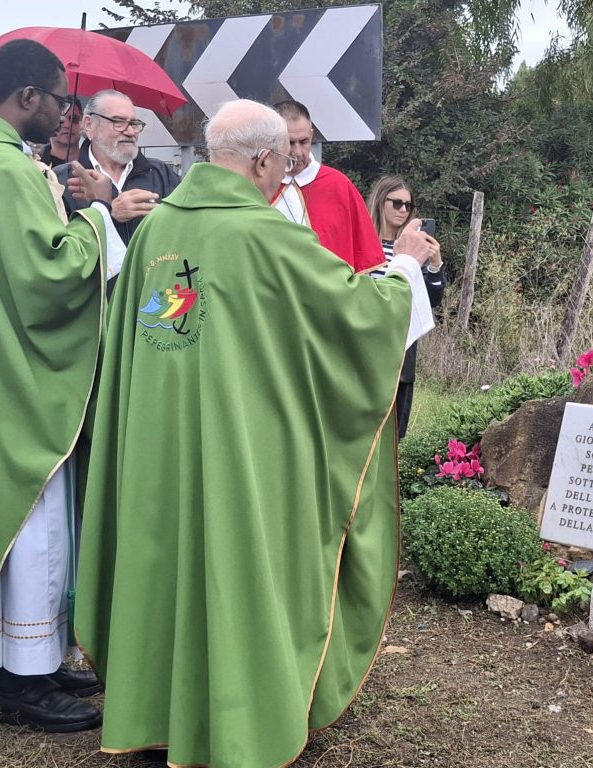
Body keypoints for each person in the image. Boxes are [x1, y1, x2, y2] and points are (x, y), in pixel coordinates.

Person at [75, 99, 437, 768]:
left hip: (157, 448)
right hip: (238, 451)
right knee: (237, 569)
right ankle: (237, 719)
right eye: (284, 162)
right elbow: (358, 316)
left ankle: (157, 711)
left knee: (165, 562)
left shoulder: (158, 230)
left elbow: (160, 333)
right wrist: (408, 265)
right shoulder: (266, 236)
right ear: (264, 159)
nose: (287, 173)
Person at [0, 38, 124, 733]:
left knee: (32, 515)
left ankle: (36, 656)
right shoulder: (2, 169)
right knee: (35, 515)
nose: (67, 115)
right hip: (19, 375)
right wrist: (99, 216)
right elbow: (48, 276)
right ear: (27, 96)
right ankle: (22, 680)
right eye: (62, 101)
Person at [367, 174, 446, 438]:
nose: (403, 210)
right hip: (367, 345)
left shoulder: (414, 248)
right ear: (380, 201)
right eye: (397, 203)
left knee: (395, 433)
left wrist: (435, 264)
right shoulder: (363, 244)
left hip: (402, 347)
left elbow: (432, 300)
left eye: (408, 205)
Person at [270, 99, 385, 273]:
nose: (298, 152)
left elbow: (363, 261)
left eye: (304, 142)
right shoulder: (258, 185)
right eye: (290, 143)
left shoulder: (338, 185)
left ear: (311, 135)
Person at [56, 89, 181, 247]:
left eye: (134, 123)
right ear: (89, 125)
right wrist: (107, 213)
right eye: (118, 122)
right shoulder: (61, 180)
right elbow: (59, 247)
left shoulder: (161, 173)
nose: (130, 132)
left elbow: (182, 229)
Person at [38, 96, 82, 165]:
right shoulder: (34, 164)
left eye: (74, 119)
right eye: (60, 119)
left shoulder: (96, 162)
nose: (67, 125)